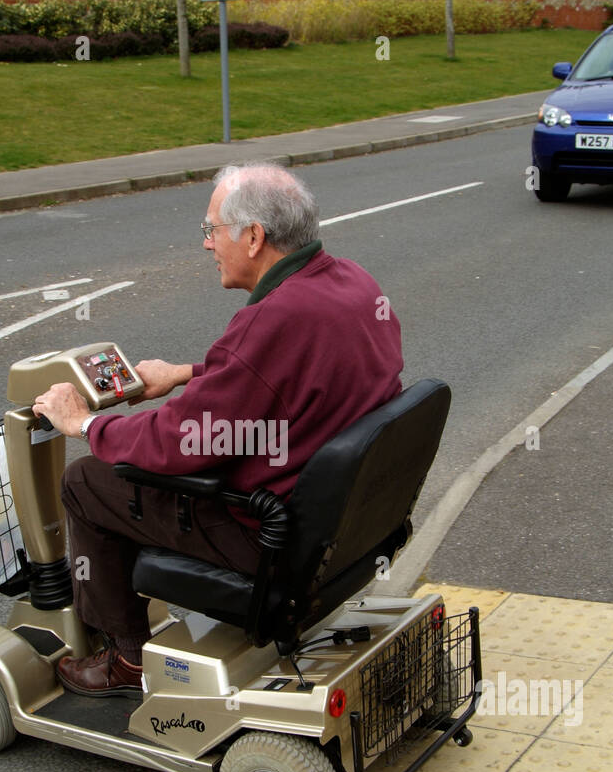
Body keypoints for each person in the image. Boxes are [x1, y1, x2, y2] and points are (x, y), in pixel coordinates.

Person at [33, 162, 404, 696]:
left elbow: (176, 443)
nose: (207, 244)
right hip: (343, 528)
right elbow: (284, 376)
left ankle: (128, 659)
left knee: (88, 482)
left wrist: (84, 422)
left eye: (211, 230)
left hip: (267, 536)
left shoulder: (269, 321)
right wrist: (185, 373)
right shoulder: (353, 284)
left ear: (253, 237)